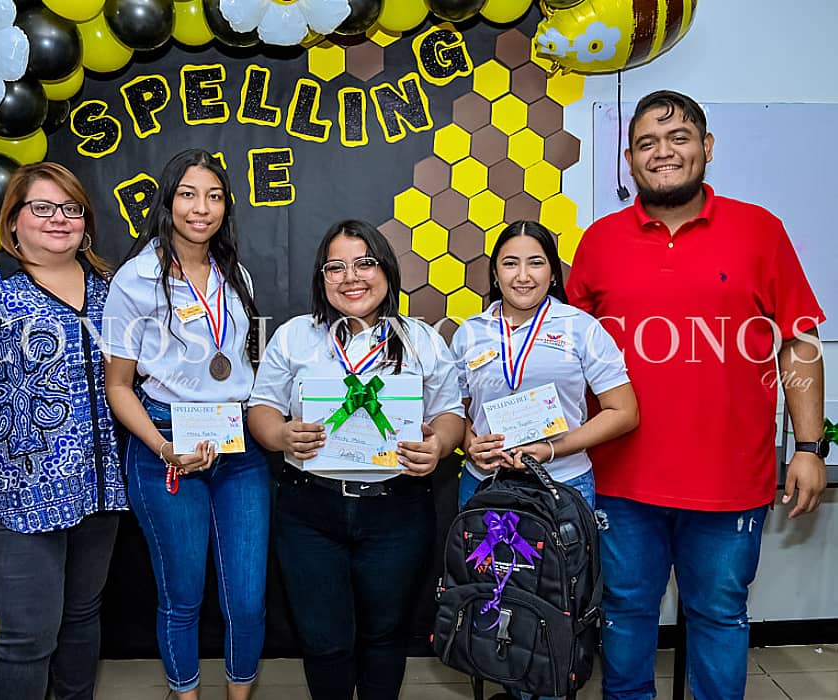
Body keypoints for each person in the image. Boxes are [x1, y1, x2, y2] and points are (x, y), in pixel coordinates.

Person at [567, 90, 827, 700]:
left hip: (729, 480)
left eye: (679, 138)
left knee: (719, 617)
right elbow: (564, 354)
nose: (664, 153)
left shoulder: (761, 231)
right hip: (620, 480)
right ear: (630, 159)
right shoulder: (599, 241)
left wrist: (811, 446)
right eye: (648, 143)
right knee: (624, 617)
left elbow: (797, 343)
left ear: (707, 148)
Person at [0, 162, 126, 700]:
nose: (60, 219)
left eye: (72, 209)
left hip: (98, 491)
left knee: (82, 621)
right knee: (28, 638)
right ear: (13, 220)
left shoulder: (108, 289)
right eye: (43, 207)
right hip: (16, 498)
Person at [248, 220, 465, 700]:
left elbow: (451, 413)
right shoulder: (295, 336)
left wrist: (440, 446)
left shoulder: (420, 339)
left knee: (385, 635)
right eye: (336, 267)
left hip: (397, 509)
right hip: (310, 511)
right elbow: (261, 407)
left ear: (386, 270)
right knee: (324, 641)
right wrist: (281, 433)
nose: (352, 277)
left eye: (365, 263)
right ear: (321, 278)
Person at [102, 149, 269, 700]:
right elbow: (118, 385)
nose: (202, 208)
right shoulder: (137, 278)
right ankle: (186, 694)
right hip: (164, 442)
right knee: (182, 596)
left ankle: (239, 694)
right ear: (168, 201)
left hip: (237, 446)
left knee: (245, 596)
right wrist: (162, 445)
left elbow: (241, 362)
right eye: (189, 195)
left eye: (215, 196)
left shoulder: (234, 273)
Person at [452, 220, 638, 511]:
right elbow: (456, 410)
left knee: (563, 560)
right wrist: (470, 442)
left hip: (563, 483)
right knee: (480, 559)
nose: (523, 276)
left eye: (536, 263)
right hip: (484, 483)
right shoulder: (470, 332)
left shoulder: (581, 328)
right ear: (495, 274)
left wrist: (551, 449)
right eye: (510, 263)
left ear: (552, 274)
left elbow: (624, 412)